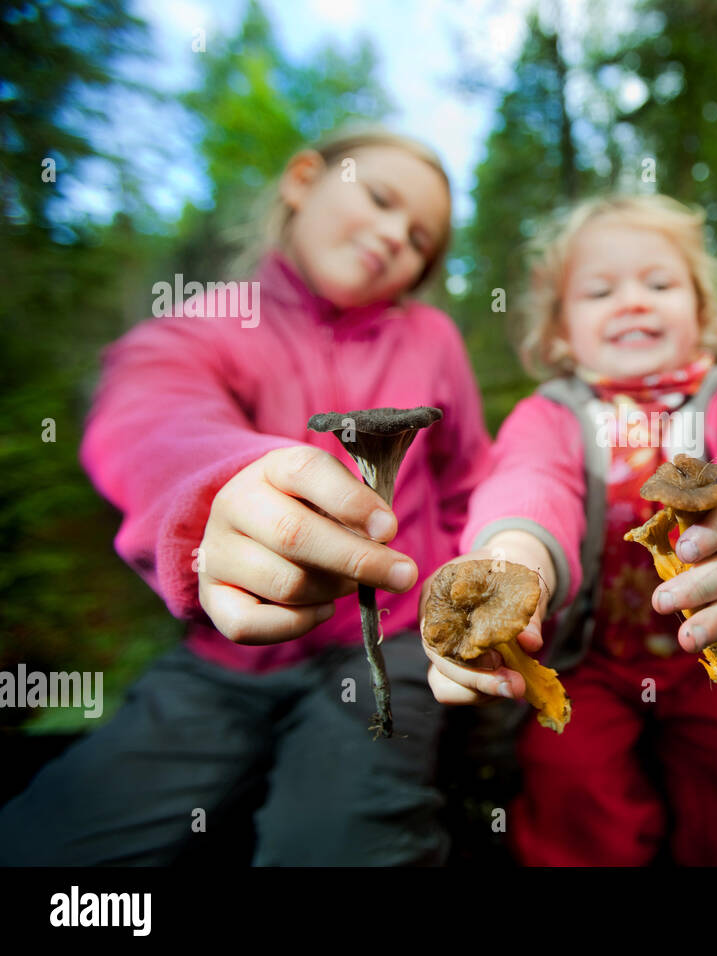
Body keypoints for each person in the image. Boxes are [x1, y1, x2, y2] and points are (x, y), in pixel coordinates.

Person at [0, 129, 489, 865]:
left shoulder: (432, 340)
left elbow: (466, 484)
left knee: (338, 837)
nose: (393, 235)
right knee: (52, 840)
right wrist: (221, 487)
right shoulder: (206, 324)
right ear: (301, 179)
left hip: (390, 646)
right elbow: (146, 416)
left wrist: (465, 589)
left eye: (420, 239)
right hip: (223, 661)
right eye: (380, 199)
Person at [421, 194, 717, 865]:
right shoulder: (552, 413)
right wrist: (514, 555)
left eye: (660, 284)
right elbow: (530, 479)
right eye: (601, 291)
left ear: (701, 310)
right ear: (558, 332)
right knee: (571, 782)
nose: (633, 301)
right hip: (590, 660)